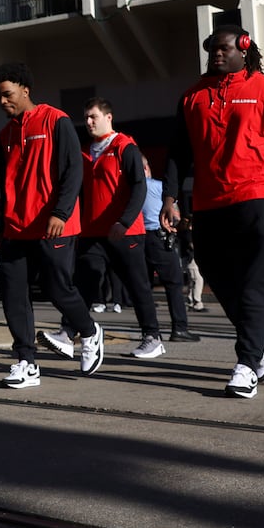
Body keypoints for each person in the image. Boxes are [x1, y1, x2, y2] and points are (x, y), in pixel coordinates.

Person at [162, 25, 264, 399]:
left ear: (244, 48)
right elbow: (178, 152)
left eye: (224, 48)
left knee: (255, 282)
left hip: (260, 198)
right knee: (214, 274)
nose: (216, 55)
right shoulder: (192, 97)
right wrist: (170, 197)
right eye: (212, 49)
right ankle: (260, 335)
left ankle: (246, 365)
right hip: (210, 204)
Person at [0, 62, 102, 389]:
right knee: (13, 294)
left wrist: (61, 213)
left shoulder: (55, 120)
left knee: (57, 289)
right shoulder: (5, 134)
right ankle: (26, 361)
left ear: (25, 89)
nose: (2, 102)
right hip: (15, 228)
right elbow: (3, 184)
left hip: (54, 225)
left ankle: (90, 332)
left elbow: (73, 171)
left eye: (7, 95)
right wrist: (0, 226)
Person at [49, 99, 165, 360]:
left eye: (93, 116)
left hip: (126, 232)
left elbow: (139, 187)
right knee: (83, 284)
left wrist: (124, 221)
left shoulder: (126, 147)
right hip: (92, 232)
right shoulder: (84, 151)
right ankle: (67, 333)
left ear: (108, 117)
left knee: (137, 285)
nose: (88, 122)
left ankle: (152, 337)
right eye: (86, 118)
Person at [139, 162, 199, 343]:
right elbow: (175, 216)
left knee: (143, 287)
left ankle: (149, 331)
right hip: (159, 236)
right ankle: (179, 328)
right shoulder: (159, 187)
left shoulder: (126, 189)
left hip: (136, 238)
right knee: (174, 283)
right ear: (147, 168)